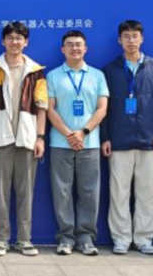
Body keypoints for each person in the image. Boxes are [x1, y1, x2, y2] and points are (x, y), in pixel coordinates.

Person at [100, 20, 153, 255]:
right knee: (118, 192)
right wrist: (105, 137)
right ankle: (121, 238)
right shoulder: (110, 69)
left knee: (147, 193)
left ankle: (144, 238)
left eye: (135, 36)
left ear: (142, 39)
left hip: (147, 140)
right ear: (119, 40)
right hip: (118, 140)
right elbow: (103, 107)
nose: (131, 40)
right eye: (126, 36)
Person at [0, 22, 47, 257]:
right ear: (3, 41)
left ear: (26, 42)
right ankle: (1, 239)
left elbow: (42, 107)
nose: (14, 42)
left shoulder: (35, 71)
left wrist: (40, 138)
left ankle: (24, 239)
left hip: (27, 139)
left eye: (19, 38)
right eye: (10, 38)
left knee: (26, 192)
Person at [46, 30, 108, 256]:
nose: (75, 48)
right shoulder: (53, 76)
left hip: (89, 143)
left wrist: (83, 132)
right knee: (61, 192)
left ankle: (86, 238)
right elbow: (50, 109)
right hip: (60, 143)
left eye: (78, 44)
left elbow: (102, 109)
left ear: (86, 48)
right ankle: (66, 238)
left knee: (89, 192)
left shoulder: (97, 75)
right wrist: (68, 134)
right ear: (62, 49)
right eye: (70, 45)